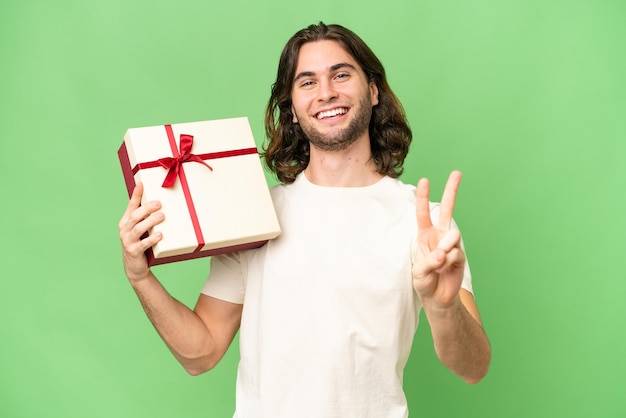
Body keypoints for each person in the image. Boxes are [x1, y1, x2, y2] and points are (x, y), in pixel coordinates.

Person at [119, 22, 491, 418]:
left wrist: (441, 306)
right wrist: (141, 277)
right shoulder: (255, 216)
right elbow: (202, 352)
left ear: (373, 89)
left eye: (341, 74)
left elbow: (473, 367)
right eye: (307, 82)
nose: (326, 92)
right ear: (292, 109)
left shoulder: (427, 225)